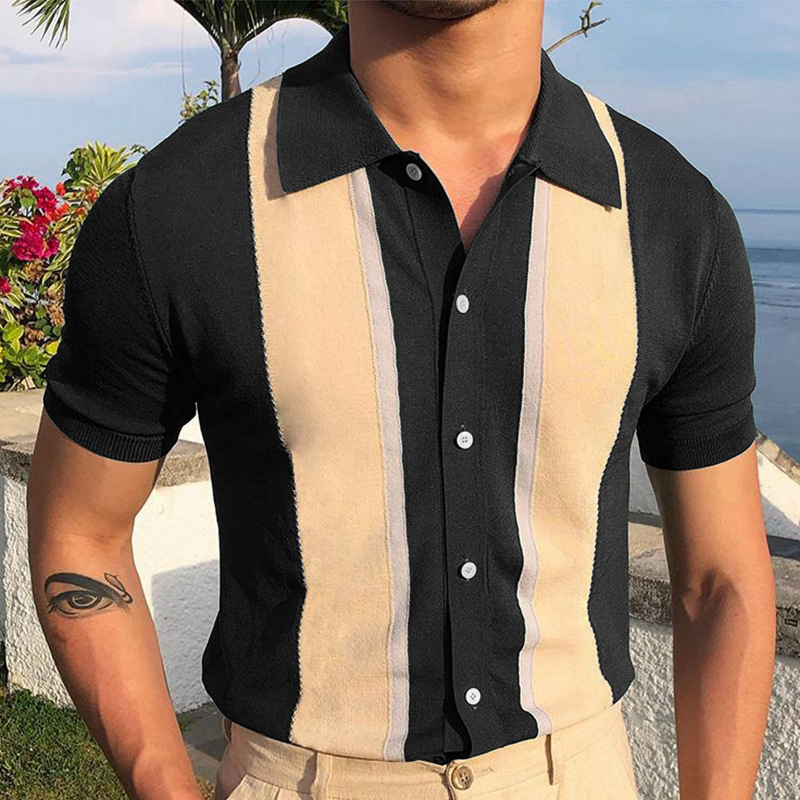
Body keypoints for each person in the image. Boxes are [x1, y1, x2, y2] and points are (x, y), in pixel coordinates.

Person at [28, 1, 776, 798]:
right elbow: (80, 531)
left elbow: (721, 579)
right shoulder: (182, 206)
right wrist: (164, 782)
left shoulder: (671, 219)